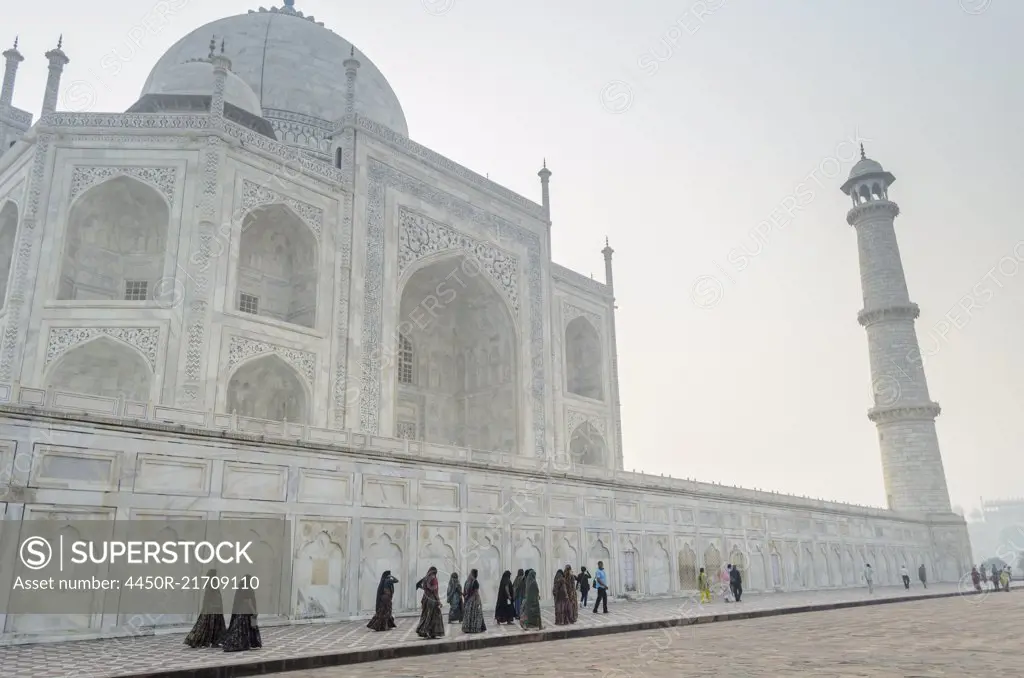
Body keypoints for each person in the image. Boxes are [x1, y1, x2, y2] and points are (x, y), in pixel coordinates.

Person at [184, 568, 226, 647]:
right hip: (214, 609)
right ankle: (202, 640)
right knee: (210, 625)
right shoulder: (212, 583)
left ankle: (211, 641)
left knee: (207, 625)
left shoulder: (210, 583)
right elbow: (213, 596)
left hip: (211, 608)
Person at [222, 577, 262, 652]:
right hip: (247, 612)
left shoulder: (241, 589)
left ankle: (234, 643)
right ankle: (244, 643)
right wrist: (254, 611)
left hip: (240, 612)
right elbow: (248, 601)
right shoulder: (248, 589)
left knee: (239, 629)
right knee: (247, 627)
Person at [415, 566, 445, 639]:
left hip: (425, 598)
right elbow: (435, 591)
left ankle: (425, 631)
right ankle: (428, 631)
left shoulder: (425, 578)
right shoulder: (433, 578)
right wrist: (439, 601)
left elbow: (422, 587)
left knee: (426, 615)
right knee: (432, 615)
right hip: (431, 599)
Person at [461, 568, 487, 633]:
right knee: (476, 614)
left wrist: (465, 596)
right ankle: (475, 628)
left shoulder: (468, 582)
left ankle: (468, 628)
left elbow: (469, 592)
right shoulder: (474, 581)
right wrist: (478, 601)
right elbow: (475, 592)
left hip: (470, 600)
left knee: (470, 614)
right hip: (474, 599)